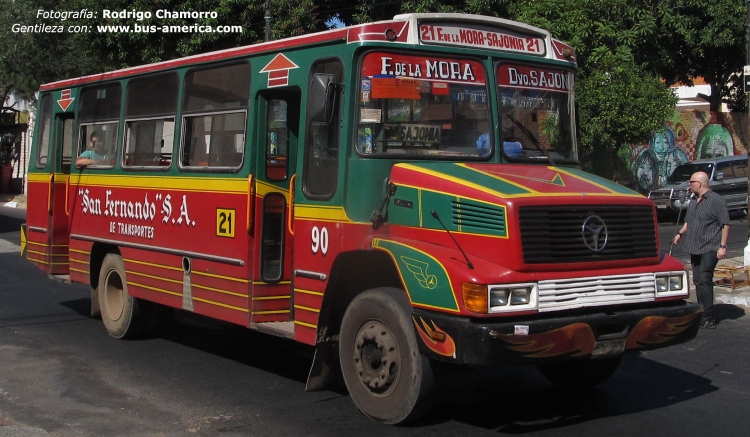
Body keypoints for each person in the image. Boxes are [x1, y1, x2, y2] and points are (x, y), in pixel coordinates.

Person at [672, 171, 730, 329]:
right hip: (695, 246)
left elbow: (725, 224)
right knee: (697, 280)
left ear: (700, 184)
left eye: (691, 182)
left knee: (705, 279)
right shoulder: (693, 200)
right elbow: (689, 221)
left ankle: (709, 316)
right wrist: (680, 233)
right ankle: (701, 310)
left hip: (710, 246)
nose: (689, 186)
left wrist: (723, 246)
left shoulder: (716, 200)